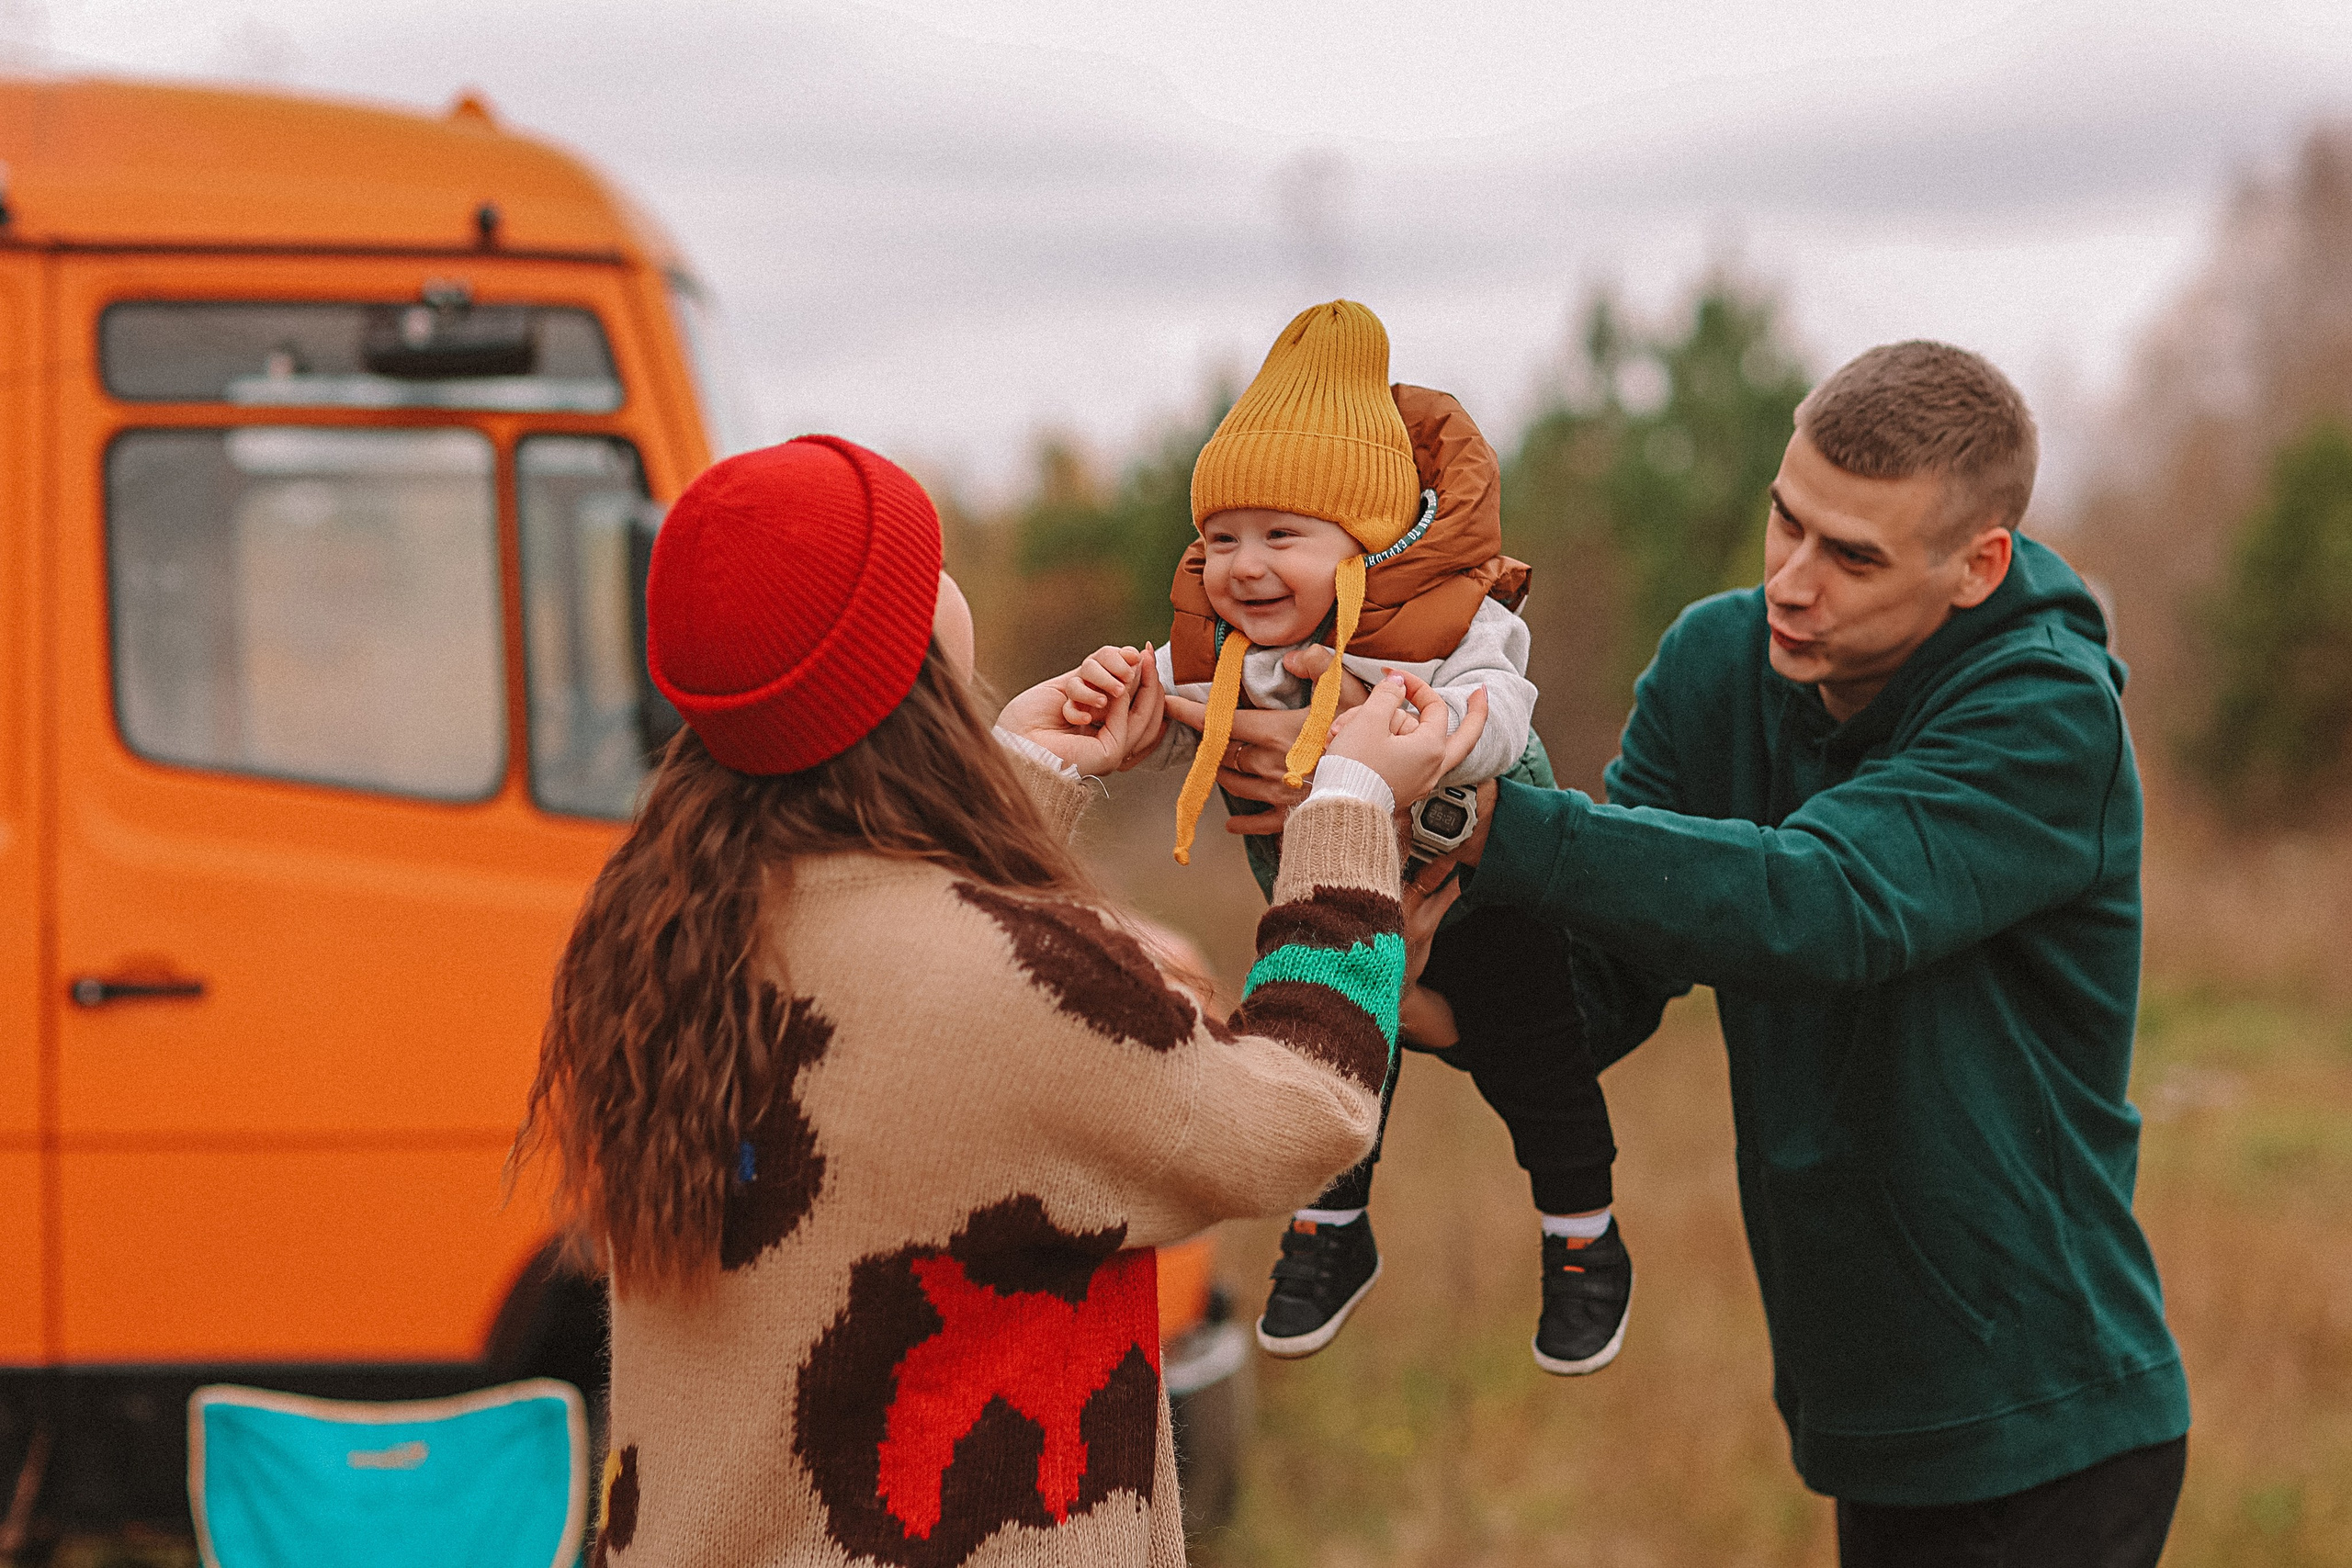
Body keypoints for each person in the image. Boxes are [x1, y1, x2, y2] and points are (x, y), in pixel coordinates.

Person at [510, 434, 1482, 1567]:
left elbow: (903, 1000)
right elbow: (1304, 1110)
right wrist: (1351, 809)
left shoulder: (660, 934)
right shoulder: (1026, 978)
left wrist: (1020, 777)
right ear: (913, 661)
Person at [1323, 341, 2190, 1568]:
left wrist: (1478, 814)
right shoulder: (1717, 665)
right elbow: (1602, 985)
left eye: (1852, 556)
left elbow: (1824, 902)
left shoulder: (2045, 712)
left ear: (1977, 566)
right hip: (1867, 1413)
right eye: (1786, 522)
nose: (1792, 579)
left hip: (2048, 1418)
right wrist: (1399, 968)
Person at [1050, 299, 1633, 1375]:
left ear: (1364, 543)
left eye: (1282, 537)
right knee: (1332, 1048)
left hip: (1487, 889)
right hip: (1332, 889)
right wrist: (1116, 713)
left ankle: (1582, 1236)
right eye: (1222, 539)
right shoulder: (1231, 648)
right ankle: (1331, 1230)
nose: (1244, 566)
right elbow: (1184, 714)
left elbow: (1504, 710)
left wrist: (1416, 734)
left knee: (1539, 1058)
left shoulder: (1452, 622)